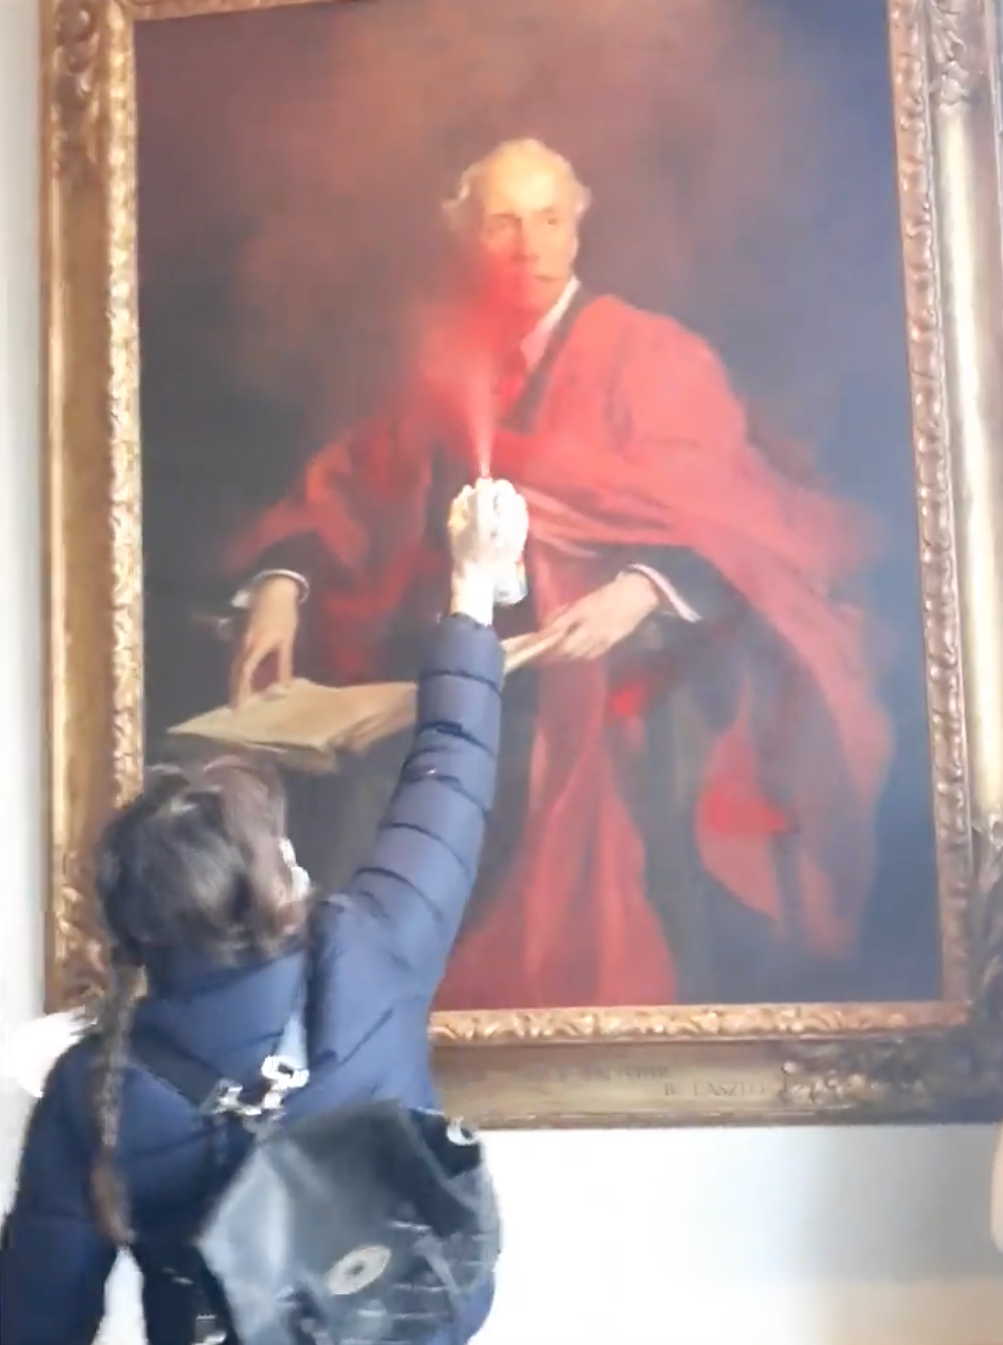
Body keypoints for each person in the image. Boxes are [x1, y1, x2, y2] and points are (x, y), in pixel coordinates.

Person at [225, 137, 893, 1011]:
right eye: (501, 224)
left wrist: (643, 585)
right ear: (465, 235)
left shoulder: (652, 355)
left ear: (577, 228)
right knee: (347, 807)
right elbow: (356, 489)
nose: (527, 247)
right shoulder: (445, 359)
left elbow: (732, 511)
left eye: (547, 220)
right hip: (437, 671)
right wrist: (282, 583)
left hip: (606, 680)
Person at [0, 479, 527, 1345]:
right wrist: (472, 585)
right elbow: (451, 771)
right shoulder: (373, 952)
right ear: (275, 879)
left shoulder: (94, 1092)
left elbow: (36, 1325)